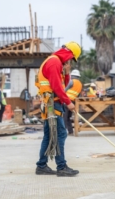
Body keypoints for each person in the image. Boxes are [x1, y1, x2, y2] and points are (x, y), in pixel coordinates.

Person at [35, 41, 81, 177]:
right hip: (52, 104)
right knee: (61, 134)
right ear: (69, 54)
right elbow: (56, 87)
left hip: (51, 103)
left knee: (49, 135)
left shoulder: (57, 63)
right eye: (71, 59)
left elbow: (63, 85)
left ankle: (41, 166)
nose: (70, 62)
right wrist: (68, 102)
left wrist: (67, 73)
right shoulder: (54, 62)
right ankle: (61, 167)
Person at [64, 69, 82, 135]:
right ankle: (70, 131)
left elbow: (64, 90)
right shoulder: (80, 84)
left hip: (67, 101)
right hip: (73, 102)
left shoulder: (71, 82)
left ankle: (64, 131)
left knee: (64, 117)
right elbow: (78, 95)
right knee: (68, 117)